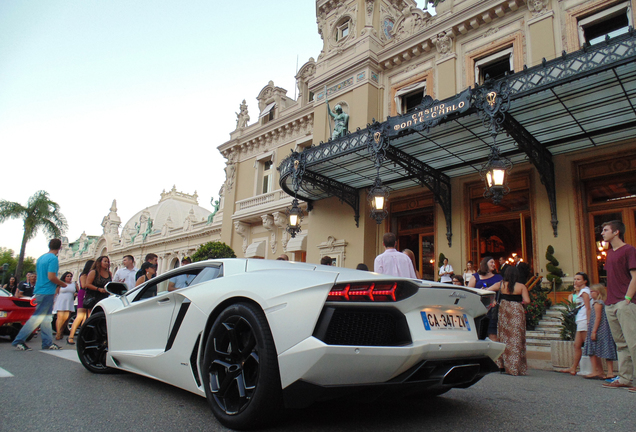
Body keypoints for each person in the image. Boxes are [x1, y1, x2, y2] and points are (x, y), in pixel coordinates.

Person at [599, 220, 636, 390]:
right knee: (621, 344)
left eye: (605, 230)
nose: (602, 233)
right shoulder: (609, 253)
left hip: (624, 303)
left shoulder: (629, 250)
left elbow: (635, 276)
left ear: (616, 232)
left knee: (633, 342)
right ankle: (624, 378)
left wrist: (627, 299)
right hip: (611, 303)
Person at [12, 239, 67, 351]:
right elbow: (51, 276)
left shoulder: (41, 258)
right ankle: (19, 340)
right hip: (47, 291)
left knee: (46, 319)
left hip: (39, 290)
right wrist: (62, 284)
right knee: (37, 318)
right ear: (60, 248)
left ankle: (47, 342)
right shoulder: (53, 259)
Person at [487, 266, 530, 375]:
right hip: (516, 312)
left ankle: (502, 365)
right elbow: (527, 301)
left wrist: (494, 301)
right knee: (516, 338)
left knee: (504, 337)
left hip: (504, 312)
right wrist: (519, 304)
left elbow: (487, 291)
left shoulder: (500, 285)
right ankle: (515, 367)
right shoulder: (521, 286)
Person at [583, 283, 617, 380]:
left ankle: (597, 371)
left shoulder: (598, 303)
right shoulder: (602, 303)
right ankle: (607, 372)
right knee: (606, 349)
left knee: (593, 349)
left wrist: (594, 331)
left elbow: (598, 318)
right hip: (602, 328)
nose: (590, 293)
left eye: (592, 292)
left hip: (599, 329)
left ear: (598, 292)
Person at [561, 272, 592, 376]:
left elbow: (588, 308)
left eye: (578, 279)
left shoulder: (584, 292)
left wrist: (588, 322)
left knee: (588, 345)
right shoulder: (582, 292)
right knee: (577, 344)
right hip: (580, 320)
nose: (576, 281)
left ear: (585, 281)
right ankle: (573, 367)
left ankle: (595, 369)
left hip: (584, 320)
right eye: (575, 279)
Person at [468, 256, 503, 341]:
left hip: (492, 309)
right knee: (478, 332)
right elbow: (469, 290)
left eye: (494, 263)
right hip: (478, 308)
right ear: (485, 263)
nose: (494, 264)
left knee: (493, 332)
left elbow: (502, 288)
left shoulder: (498, 277)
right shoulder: (476, 276)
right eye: (491, 262)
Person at [67, 260, 95, 344]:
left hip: (90, 294)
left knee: (87, 317)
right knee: (80, 316)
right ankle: (71, 336)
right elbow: (83, 285)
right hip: (84, 294)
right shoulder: (84, 275)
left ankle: (83, 335)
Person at [53, 272, 76, 342]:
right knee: (60, 317)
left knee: (66, 318)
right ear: (64, 277)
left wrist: (76, 294)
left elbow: (78, 291)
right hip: (61, 301)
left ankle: (61, 330)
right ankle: (58, 333)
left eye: (70, 276)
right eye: (68, 276)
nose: (69, 277)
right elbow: (55, 293)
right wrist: (53, 301)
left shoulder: (74, 284)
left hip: (69, 302)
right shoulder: (60, 284)